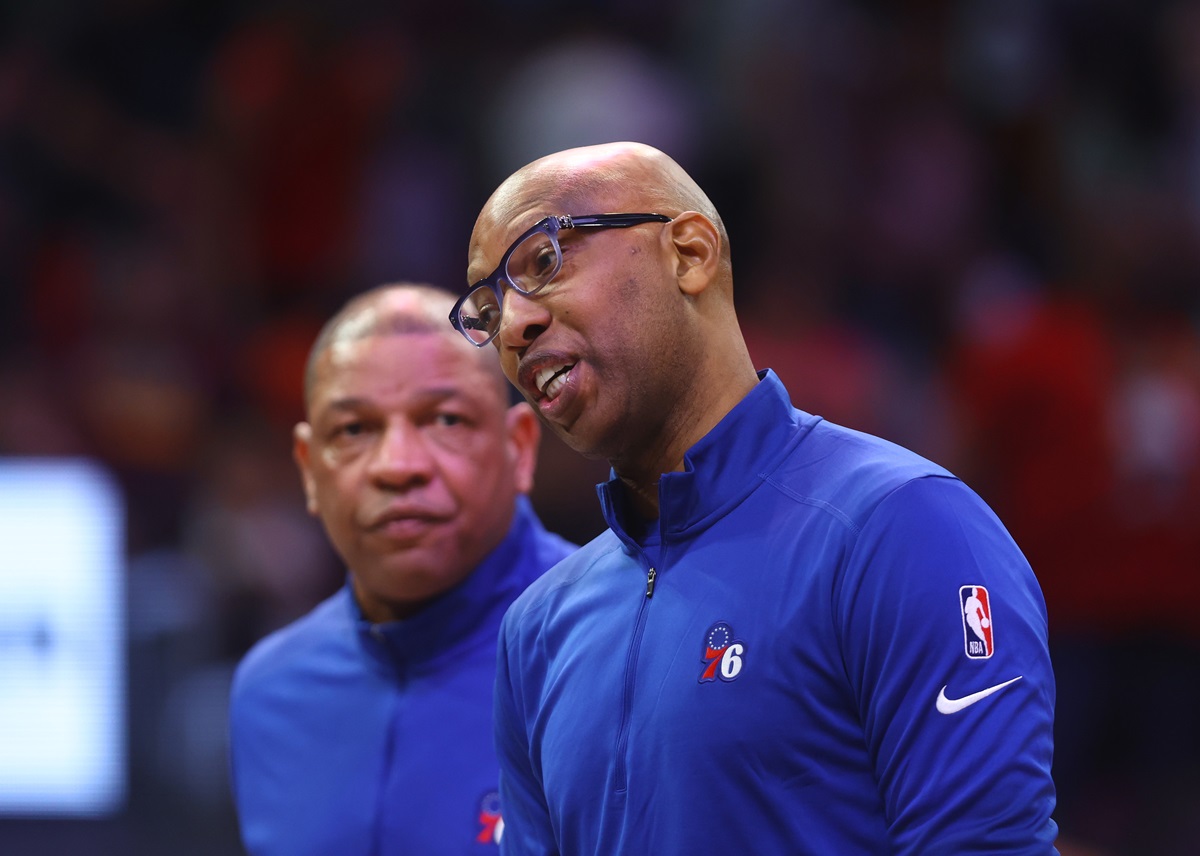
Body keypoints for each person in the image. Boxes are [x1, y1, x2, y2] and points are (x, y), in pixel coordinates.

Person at [449, 142, 1059, 854]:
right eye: (488, 312)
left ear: (691, 253)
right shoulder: (538, 630)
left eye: (544, 264)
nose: (514, 328)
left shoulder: (903, 528)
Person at [228, 283, 577, 855]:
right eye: (354, 430)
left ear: (519, 448)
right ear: (309, 470)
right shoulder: (269, 694)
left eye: (444, 420)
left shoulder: (612, 655)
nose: (398, 466)